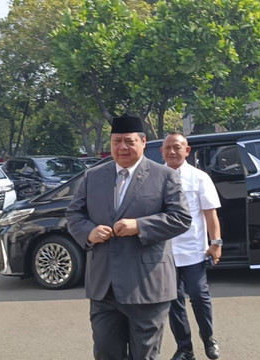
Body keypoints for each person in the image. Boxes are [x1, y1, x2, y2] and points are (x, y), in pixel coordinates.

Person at [66, 115, 192, 360]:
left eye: (129, 141)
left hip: (146, 287)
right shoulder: (93, 176)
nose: (122, 147)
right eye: (116, 141)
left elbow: (181, 218)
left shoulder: (163, 176)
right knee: (105, 352)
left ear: (143, 142)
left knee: (144, 356)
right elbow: (74, 214)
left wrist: (140, 226)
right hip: (104, 287)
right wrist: (88, 232)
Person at [161, 132, 222, 360]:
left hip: (194, 250)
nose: (172, 152)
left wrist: (216, 243)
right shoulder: (155, 177)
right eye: (168, 148)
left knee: (198, 296)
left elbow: (210, 214)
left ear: (187, 151)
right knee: (172, 301)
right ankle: (185, 348)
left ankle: (208, 338)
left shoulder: (199, 177)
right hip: (165, 252)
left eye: (177, 147)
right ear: (162, 151)